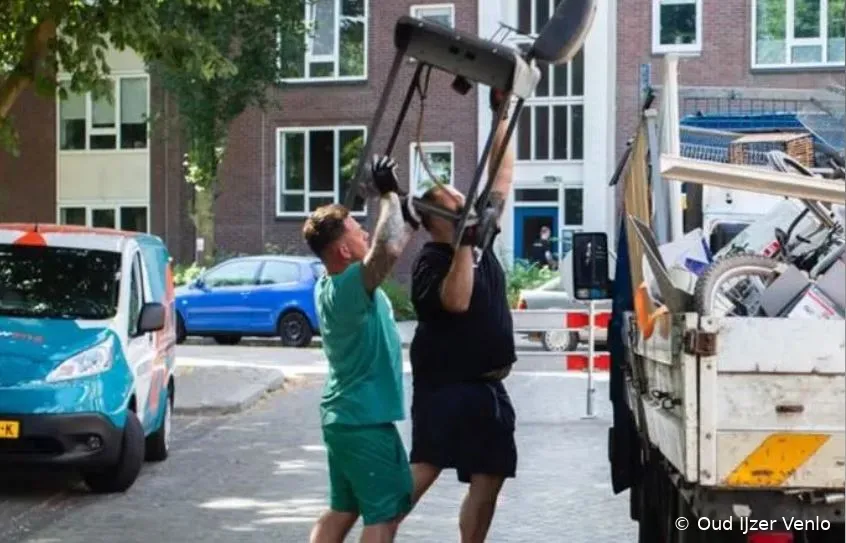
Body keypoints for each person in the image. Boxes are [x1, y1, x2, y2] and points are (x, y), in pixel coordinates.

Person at [407, 87, 517, 543]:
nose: (467, 204)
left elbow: (502, 174)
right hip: (446, 391)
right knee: (421, 475)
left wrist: (501, 112)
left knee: (490, 479)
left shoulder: (478, 235)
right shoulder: (431, 262)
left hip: (487, 389)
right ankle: (377, 532)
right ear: (437, 220)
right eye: (456, 203)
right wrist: (464, 245)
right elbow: (456, 302)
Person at [303, 154, 421, 543]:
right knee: (384, 515)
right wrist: (387, 195)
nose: (366, 234)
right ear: (343, 252)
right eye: (357, 231)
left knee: (344, 508)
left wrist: (403, 212)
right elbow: (386, 251)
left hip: (346, 418)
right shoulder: (349, 286)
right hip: (363, 420)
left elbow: (388, 245)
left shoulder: (331, 284)